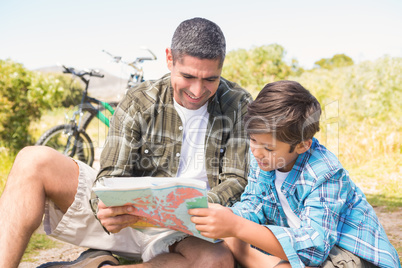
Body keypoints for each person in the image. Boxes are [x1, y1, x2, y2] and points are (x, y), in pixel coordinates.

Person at [0, 17, 252, 268]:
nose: (198, 91)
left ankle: (99, 265)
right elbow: (110, 174)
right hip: (125, 220)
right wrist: (103, 205)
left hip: (187, 232)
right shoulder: (139, 99)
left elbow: (235, 179)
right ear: (169, 59)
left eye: (210, 79)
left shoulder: (237, 104)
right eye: (188, 76)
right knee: (32, 160)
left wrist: (198, 208)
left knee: (216, 261)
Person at [189, 81, 401, 268]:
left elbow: (315, 247)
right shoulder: (263, 161)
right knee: (233, 239)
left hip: (349, 252)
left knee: (240, 234)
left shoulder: (325, 173)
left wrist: (237, 225)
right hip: (305, 246)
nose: (256, 152)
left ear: (301, 145)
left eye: (268, 148)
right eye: (252, 140)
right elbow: (253, 205)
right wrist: (225, 218)